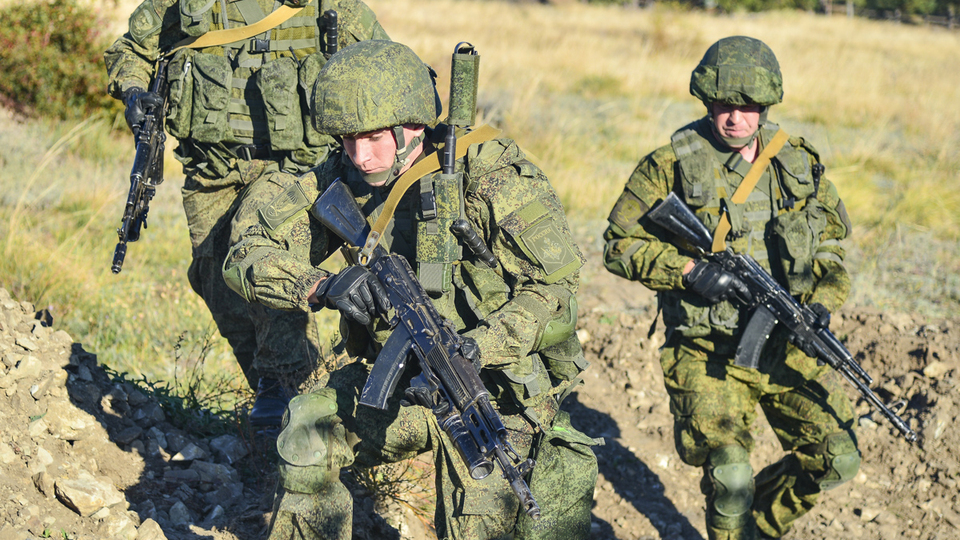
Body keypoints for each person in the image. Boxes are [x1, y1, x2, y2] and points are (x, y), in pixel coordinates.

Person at [222, 40, 599, 540]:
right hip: (397, 385)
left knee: (483, 514)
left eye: (374, 137)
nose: (359, 155)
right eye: (347, 139)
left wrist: (477, 347)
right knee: (306, 435)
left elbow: (555, 291)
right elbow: (246, 247)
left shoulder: (489, 176)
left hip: (491, 391)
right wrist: (322, 284)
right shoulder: (343, 174)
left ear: (413, 126)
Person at [602, 36, 860, 540]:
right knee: (731, 476)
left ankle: (753, 529)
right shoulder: (670, 164)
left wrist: (823, 305)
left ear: (766, 107)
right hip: (706, 351)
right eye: (725, 105)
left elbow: (831, 248)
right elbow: (617, 243)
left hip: (785, 342)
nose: (735, 118)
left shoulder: (797, 166)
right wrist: (688, 273)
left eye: (748, 108)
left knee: (839, 458)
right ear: (707, 100)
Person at [103, 0, 389, 428]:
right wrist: (133, 90)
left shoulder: (326, 6)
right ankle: (296, 395)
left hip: (294, 170)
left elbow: (383, 65)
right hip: (212, 169)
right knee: (213, 278)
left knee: (259, 254)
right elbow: (132, 50)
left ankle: (286, 393)